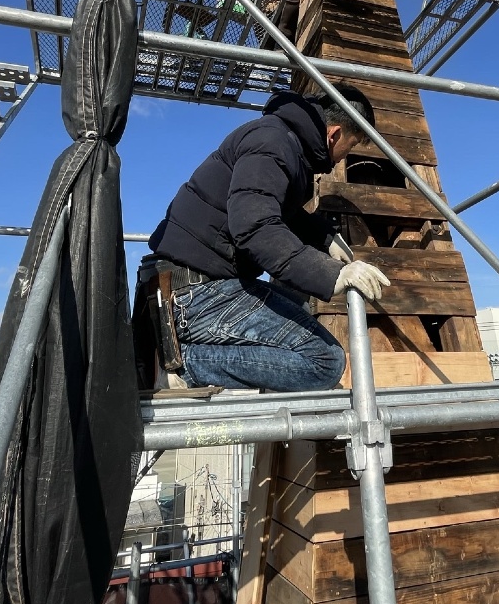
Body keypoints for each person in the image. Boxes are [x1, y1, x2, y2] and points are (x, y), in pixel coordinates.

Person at [145, 85, 389, 392]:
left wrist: (324, 238)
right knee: (325, 361)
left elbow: (275, 208)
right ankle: (183, 363)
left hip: (194, 285)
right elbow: (255, 226)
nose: (342, 159)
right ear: (334, 134)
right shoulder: (273, 142)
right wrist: (333, 274)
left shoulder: (283, 142)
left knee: (298, 310)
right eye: (349, 149)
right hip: (192, 294)